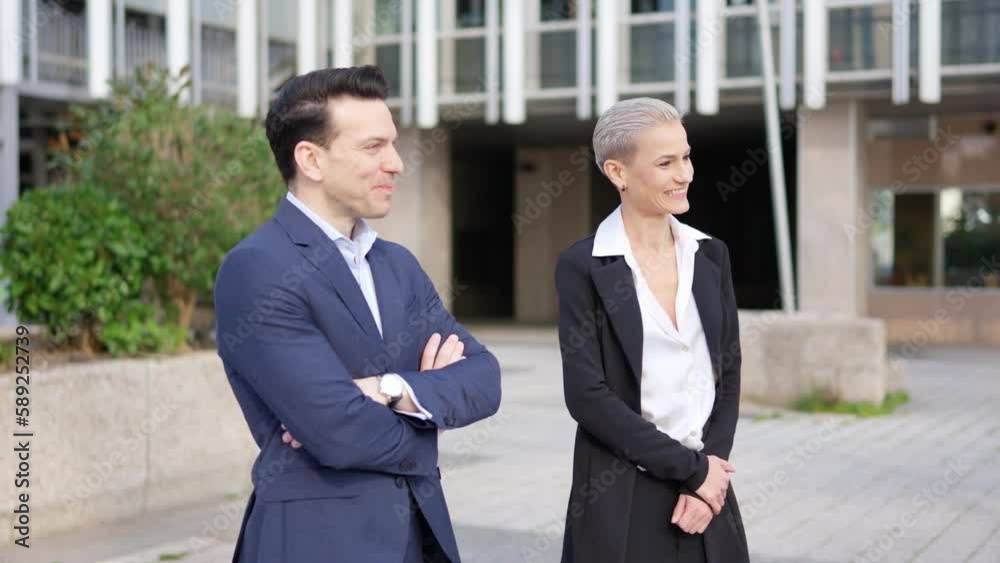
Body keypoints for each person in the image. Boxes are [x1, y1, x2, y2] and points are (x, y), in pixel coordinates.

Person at [214, 66, 502, 563]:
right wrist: (428, 413)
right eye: (373, 147)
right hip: (316, 541)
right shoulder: (258, 268)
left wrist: (387, 389)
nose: (396, 163)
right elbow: (340, 435)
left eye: (392, 144)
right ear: (311, 159)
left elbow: (485, 379)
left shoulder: (397, 265)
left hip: (420, 534)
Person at [555, 97, 749, 563]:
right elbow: (587, 396)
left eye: (686, 157)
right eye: (666, 162)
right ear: (618, 172)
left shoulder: (710, 254)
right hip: (620, 493)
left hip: (706, 496)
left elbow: (728, 371)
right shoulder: (583, 266)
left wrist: (707, 482)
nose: (685, 173)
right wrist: (693, 470)